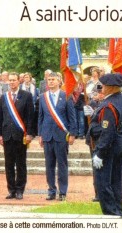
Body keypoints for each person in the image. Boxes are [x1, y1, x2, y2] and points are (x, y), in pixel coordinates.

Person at [85, 73, 122, 218]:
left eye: (103, 85)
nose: (101, 88)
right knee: (116, 180)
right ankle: (118, 211)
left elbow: (107, 131)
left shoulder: (109, 105)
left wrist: (99, 153)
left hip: (108, 148)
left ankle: (111, 213)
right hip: (119, 145)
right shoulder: (119, 100)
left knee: (102, 182)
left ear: (110, 87)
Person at [38, 72, 77, 201]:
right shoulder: (43, 97)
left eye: (53, 79)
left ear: (59, 81)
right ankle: (51, 190)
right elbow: (41, 117)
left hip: (61, 136)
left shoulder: (66, 96)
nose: (51, 82)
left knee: (62, 165)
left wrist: (72, 134)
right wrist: (40, 135)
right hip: (48, 135)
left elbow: (72, 117)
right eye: (49, 80)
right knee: (49, 165)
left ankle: (63, 191)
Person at [0, 72, 35, 200]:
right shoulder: (4, 97)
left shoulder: (26, 96)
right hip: (7, 135)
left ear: (19, 81)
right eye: (10, 80)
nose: (12, 82)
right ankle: (11, 190)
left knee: (20, 164)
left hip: (21, 135)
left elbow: (30, 117)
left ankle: (20, 190)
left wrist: (30, 133)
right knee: (8, 164)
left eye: (14, 80)